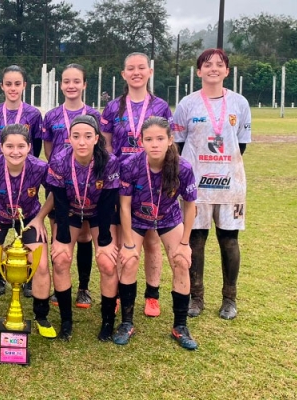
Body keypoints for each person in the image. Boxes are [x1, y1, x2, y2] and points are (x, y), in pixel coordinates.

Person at [173, 48, 251, 320]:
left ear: (227, 71)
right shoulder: (187, 104)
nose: (213, 68)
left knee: (229, 240)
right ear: (199, 71)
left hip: (230, 183)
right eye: (207, 65)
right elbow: (179, 144)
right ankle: (196, 297)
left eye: (219, 64)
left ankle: (229, 298)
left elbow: (241, 145)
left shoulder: (239, 103)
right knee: (196, 239)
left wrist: (221, 166)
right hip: (196, 184)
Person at [100, 52, 173, 318]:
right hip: (121, 181)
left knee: (151, 239)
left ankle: (152, 295)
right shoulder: (112, 107)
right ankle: (120, 292)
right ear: (124, 74)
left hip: (151, 181)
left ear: (149, 72)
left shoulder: (161, 107)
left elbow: (168, 144)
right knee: (122, 239)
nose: (136, 72)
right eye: (131, 68)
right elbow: (106, 145)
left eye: (141, 67)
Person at [118, 117, 198, 350]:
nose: (154, 144)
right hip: (137, 218)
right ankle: (126, 323)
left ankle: (180, 326)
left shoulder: (183, 167)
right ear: (141, 141)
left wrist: (185, 243)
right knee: (129, 261)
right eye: (149, 139)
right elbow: (124, 206)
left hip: (168, 218)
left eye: (160, 138)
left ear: (170, 140)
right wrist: (129, 244)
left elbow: (190, 206)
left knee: (181, 262)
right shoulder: (130, 165)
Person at [0, 124, 56, 338]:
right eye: (9, 146)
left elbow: (55, 192)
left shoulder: (40, 167)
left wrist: (40, 218)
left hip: (28, 218)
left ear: (29, 147)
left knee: (41, 265)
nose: (15, 151)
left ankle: (41, 317)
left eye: (21, 146)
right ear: (1, 147)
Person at [47, 115, 120, 341]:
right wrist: (61, 238)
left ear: (96, 138)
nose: (81, 142)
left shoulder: (109, 161)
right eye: (76, 136)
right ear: (69, 138)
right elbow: (59, 201)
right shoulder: (59, 160)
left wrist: (105, 241)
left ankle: (107, 321)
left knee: (107, 262)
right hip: (70, 210)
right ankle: (66, 321)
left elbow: (108, 202)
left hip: (99, 212)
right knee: (60, 259)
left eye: (88, 136)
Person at [42, 64, 101, 309]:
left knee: (85, 234)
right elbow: (48, 151)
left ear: (84, 84)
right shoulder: (52, 116)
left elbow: (101, 148)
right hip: (60, 182)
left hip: (88, 184)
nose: (71, 85)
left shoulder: (95, 115)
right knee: (59, 233)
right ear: (61, 85)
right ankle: (60, 289)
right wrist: (62, 171)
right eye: (67, 81)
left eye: (76, 81)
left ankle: (83, 288)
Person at [0, 64, 43, 297]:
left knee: (24, 228)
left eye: (17, 84)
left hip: (24, 177)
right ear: (2, 86)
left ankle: (27, 275)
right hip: (0, 176)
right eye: (8, 84)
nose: (13, 88)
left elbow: (36, 146)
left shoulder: (34, 114)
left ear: (24, 85)